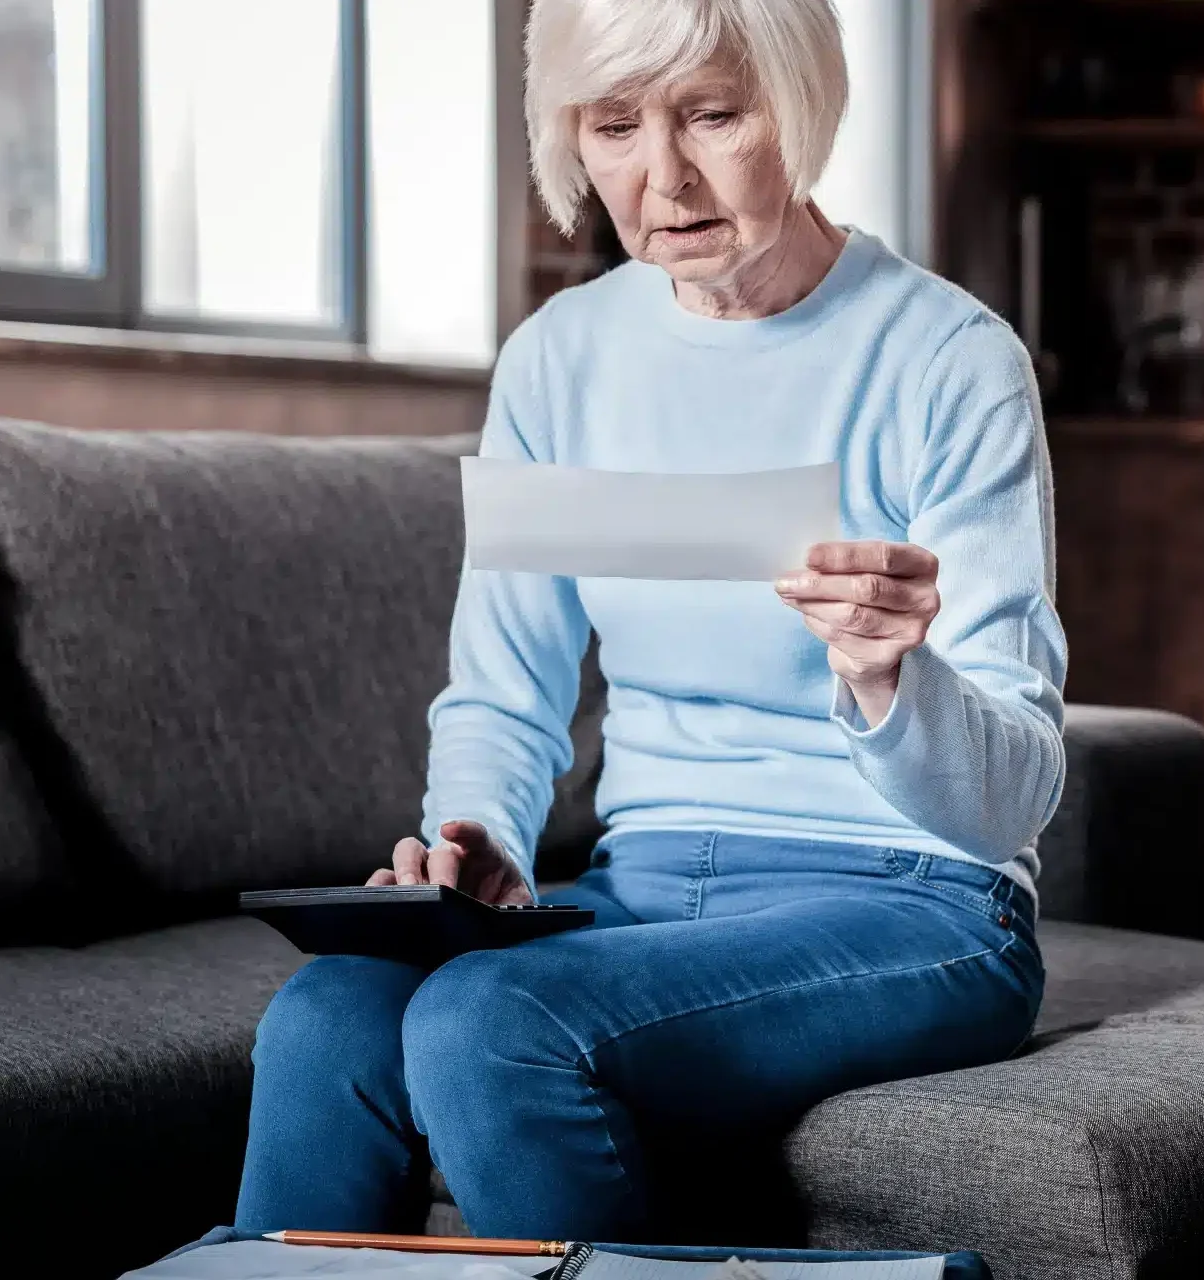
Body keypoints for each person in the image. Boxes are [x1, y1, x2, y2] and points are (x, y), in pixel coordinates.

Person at [233, 0, 1062, 1241]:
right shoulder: (557, 360)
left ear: (803, 110)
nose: (661, 176)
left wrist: (897, 682)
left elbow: (1013, 800)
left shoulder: (949, 359)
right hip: (651, 878)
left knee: (490, 1022)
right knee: (328, 1015)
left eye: (713, 115)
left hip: (920, 897)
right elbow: (505, 692)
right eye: (613, 126)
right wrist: (472, 843)